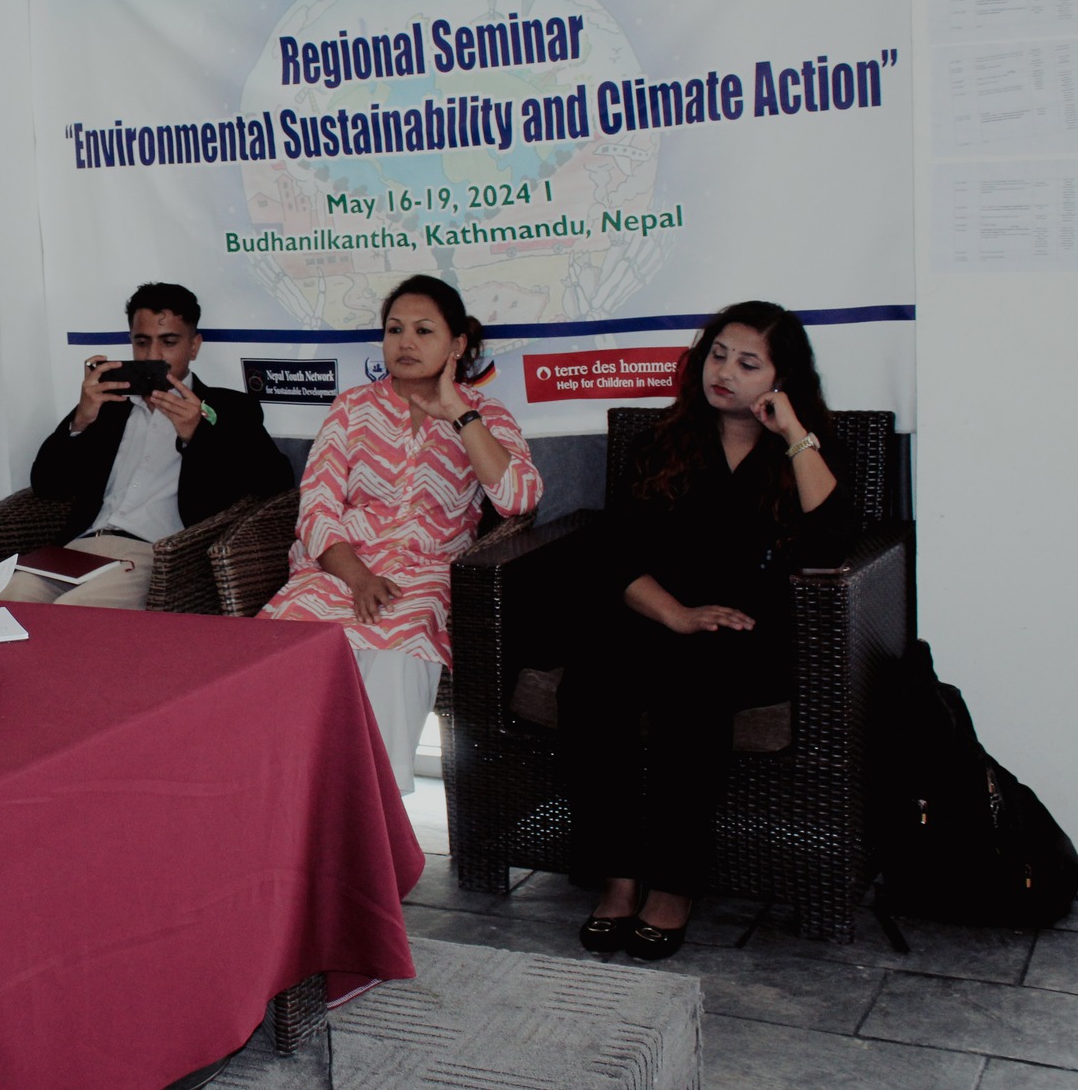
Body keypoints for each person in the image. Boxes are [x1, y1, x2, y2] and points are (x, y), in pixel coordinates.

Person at [563, 301, 856, 961]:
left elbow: (835, 537)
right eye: (718, 355)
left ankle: (673, 888)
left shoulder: (810, 449)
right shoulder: (661, 441)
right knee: (591, 683)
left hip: (750, 634)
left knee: (692, 689)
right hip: (657, 615)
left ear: (783, 379)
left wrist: (794, 433)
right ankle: (618, 878)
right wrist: (675, 613)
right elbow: (616, 553)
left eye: (748, 364)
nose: (724, 373)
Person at [258, 275, 542, 793]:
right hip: (340, 566)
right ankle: (277, 792)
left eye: (423, 330)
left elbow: (519, 499)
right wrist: (358, 578)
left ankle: (376, 805)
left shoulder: (485, 415)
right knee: (277, 649)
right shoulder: (352, 407)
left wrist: (460, 415)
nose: (405, 342)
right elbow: (316, 509)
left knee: (398, 648)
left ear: (457, 344)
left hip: (425, 573)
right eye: (395, 330)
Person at [0, 282, 292, 608]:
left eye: (169, 342)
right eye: (142, 342)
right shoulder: (109, 404)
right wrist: (80, 420)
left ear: (194, 346)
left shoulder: (227, 407)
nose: (153, 356)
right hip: (81, 548)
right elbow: (47, 485)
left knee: (75, 613)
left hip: (155, 555)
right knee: (9, 599)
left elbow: (275, 482)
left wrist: (197, 435)